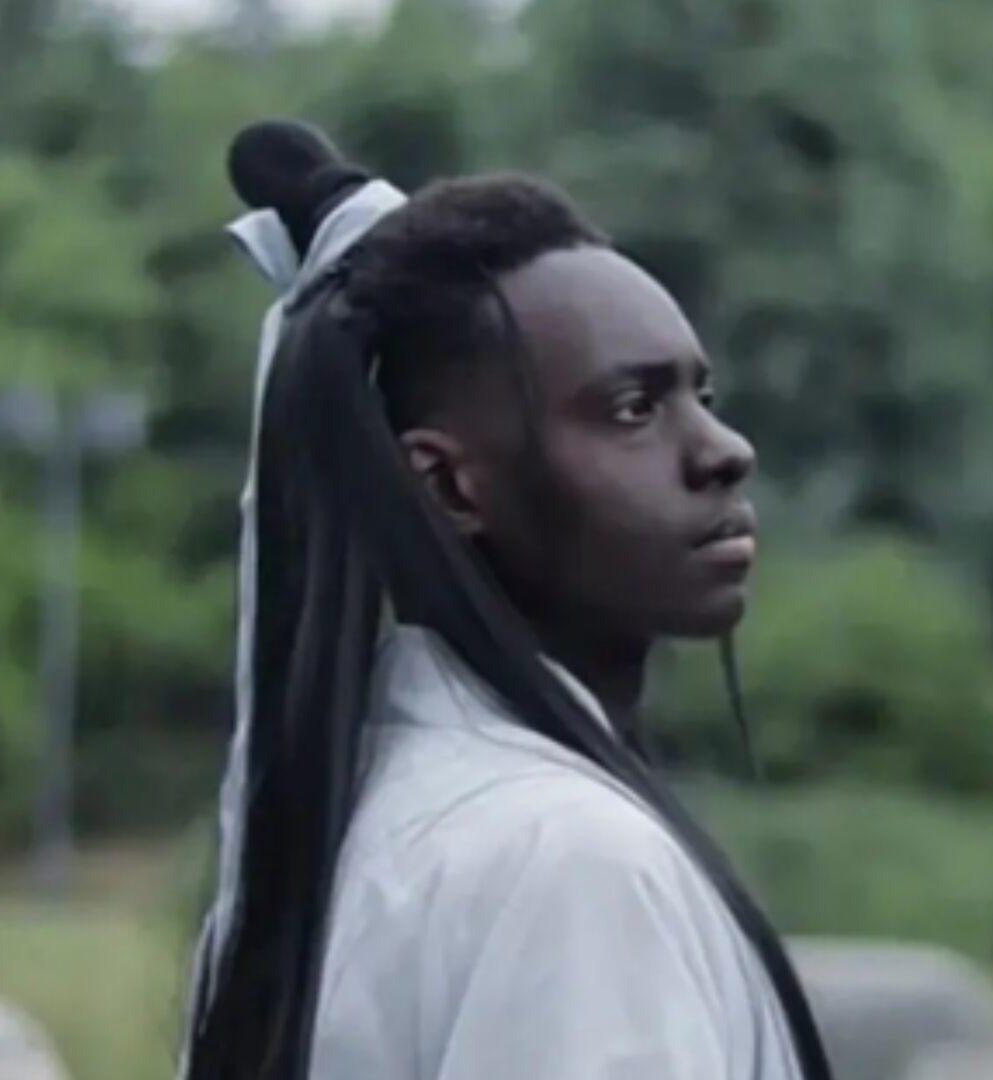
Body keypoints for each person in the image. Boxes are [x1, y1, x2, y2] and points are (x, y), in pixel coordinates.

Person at [178, 120, 832, 1080]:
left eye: (703, 395)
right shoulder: (566, 858)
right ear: (450, 485)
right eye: (633, 409)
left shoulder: (404, 808)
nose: (725, 451)